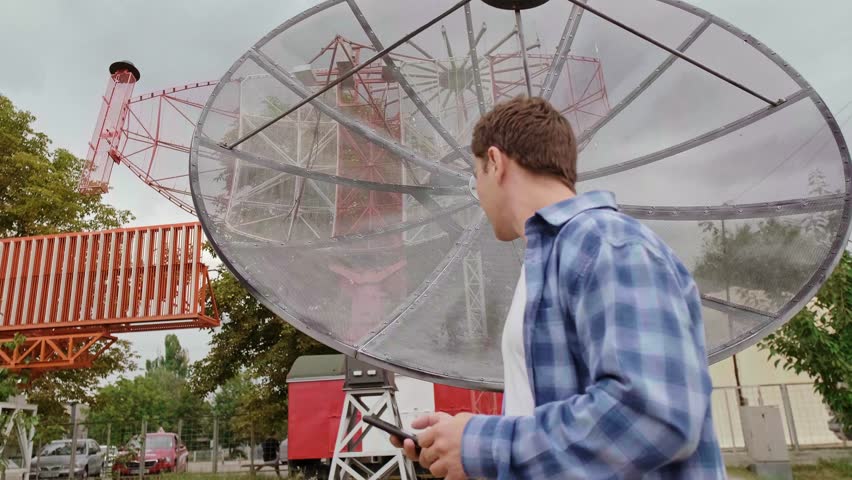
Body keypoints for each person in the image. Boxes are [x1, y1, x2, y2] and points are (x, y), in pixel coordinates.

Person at [391, 96, 726, 479]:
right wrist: (461, 443)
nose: (477, 195)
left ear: (496, 163)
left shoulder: (608, 245)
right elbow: (552, 420)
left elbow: (652, 416)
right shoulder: (545, 264)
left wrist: (485, 444)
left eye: (476, 178)